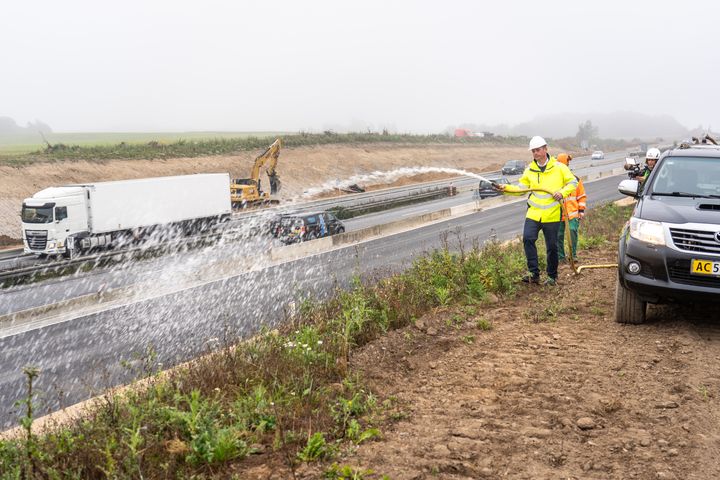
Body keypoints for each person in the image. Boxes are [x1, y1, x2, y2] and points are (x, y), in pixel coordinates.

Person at [494, 136, 577, 286]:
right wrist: (505, 189)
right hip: (533, 214)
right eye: (533, 151)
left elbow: (573, 182)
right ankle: (534, 273)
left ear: (545, 149)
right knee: (528, 239)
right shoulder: (529, 170)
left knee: (552, 247)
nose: (535, 153)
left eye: (538, 150)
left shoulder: (559, 168)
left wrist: (562, 193)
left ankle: (552, 277)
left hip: (552, 215)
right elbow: (521, 190)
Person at [555, 153, 586, 262]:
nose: (568, 164)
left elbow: (581, 196)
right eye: (567, 162)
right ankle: (561, 257)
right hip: (558, 214)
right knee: (558, 235)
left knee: (572, 231)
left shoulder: (575, 179)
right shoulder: (555, 181)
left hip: (573, 214)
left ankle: (573, 255)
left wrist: (581, 211)